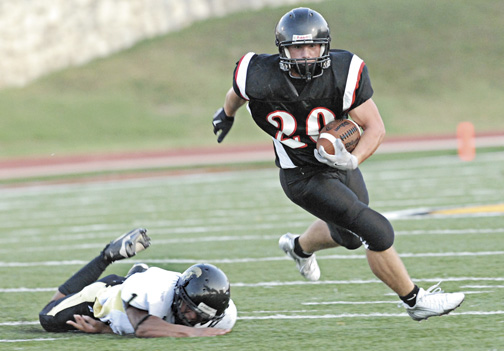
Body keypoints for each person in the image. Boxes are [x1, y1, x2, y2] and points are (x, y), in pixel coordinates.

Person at [212, 7, 464, 321]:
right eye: (297, 47)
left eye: (312, 46)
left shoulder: (343, 72)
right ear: (282, 49)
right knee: (377, 231)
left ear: (325, 46)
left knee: (349, 236)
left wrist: (352, 159)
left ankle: (299, 248)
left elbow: (375, 127)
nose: (305, 55)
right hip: (300, 175)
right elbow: (238, 93)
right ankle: (416, 301)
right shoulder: (259, 73)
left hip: (338, 163)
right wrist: (227, 114)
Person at [39, 228, 236, 337]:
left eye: (198, 314)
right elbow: (143, 327)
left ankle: (137, 274)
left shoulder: (223, 315)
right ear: (178, 294)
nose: (191, 316)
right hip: (104, 297)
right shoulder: (158, 290)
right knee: (47, 317)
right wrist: (195, 333)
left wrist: (104, 330)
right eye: (187, 306)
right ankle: (106, 257)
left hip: (133, 298)